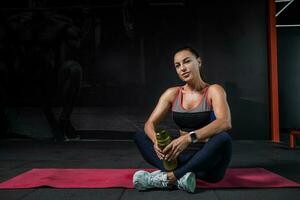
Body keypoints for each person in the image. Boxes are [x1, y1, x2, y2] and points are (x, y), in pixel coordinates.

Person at [133, 46, 233, 193]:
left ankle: (170, 178)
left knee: (223, 138)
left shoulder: (214, 90)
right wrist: (155, 141)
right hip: (178, 158)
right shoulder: (172, 93)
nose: (182, 68)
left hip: (207, 161)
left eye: (187, 62)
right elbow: (150, 123)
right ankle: (183, 176)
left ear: (198, 62)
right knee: (140, 136)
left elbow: (225, 122)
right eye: (177, 65)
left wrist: (188, 138)